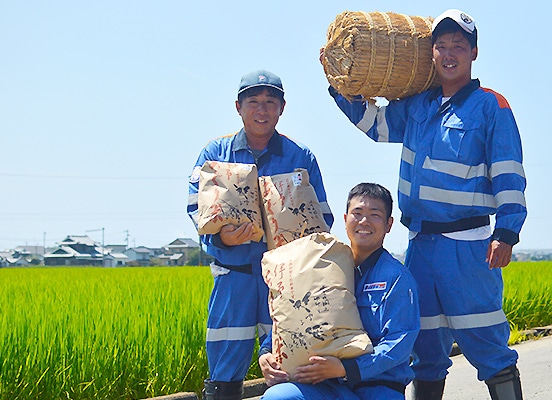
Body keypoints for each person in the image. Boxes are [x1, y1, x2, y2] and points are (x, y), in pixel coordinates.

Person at [322, 9, 527, 400]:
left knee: (486, 341)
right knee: (426, 348)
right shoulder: (418, 104)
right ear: (431, 52)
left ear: (474, 53)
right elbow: (377, 125)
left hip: (467, 247)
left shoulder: (491, 106)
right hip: (420, 247)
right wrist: (338, 85)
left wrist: (507, 231)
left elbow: (508, 172)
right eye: (442, 46)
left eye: (458, 47)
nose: (449, 54)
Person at [187, 69, 334, 400]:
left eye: (270, 102)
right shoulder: (215, 154)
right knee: (224, 368)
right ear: (238, 107)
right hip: (232, 277)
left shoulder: (300, 157)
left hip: (285, 283)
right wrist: (223, 238)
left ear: (282, 108)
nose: (262, 110)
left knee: (286, 368)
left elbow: (323, 216)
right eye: (253, 102)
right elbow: (195, 209)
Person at [258, 183, 421, 400]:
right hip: (328, 386)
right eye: (358, 213)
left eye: (375, 215)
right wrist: (266, 353)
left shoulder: (397, 278)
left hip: (378, 387)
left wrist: (347, 368)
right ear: (345, 220)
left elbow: (400, 342)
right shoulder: (321, 267)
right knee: (277, 397)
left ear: (389, 224)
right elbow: (293, 318)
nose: (364, 221)